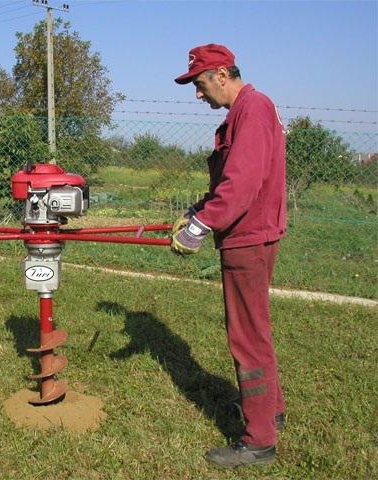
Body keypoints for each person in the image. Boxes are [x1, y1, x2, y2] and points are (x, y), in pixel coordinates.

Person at [171, 44, 287, 468]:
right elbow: (230, 178)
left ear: (222, 75)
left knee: (247, 337)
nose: (198, 94)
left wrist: (200, 227)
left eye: (200, 84)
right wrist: (198, 209)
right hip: (252, 233)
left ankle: (258, 439)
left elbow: (240, 186)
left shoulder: (251, 110)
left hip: (247, 238)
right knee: (257, 328)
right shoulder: (247, 111)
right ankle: (271, 411)